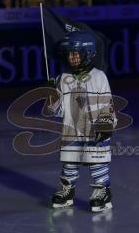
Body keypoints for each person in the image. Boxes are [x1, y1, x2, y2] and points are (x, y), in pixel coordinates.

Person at [49, 31, 117, 212]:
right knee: (69, 162)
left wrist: (106, 124)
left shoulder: (99, 76)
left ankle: (102, 191)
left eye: (75, 53)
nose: (72, 57)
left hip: (95, 130)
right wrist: (51, 96)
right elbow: (58, 111)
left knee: (97, 161)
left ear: (87, 53)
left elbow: (106, 103)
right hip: (72, 130)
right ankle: (67, 190)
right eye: (69, 54)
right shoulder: (63, 79)